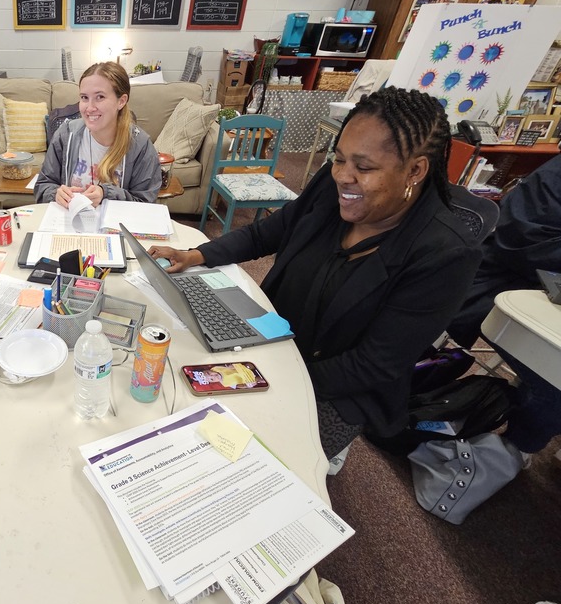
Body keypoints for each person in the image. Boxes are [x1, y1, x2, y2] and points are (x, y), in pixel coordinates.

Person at [147, 87, 482, 463]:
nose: (343, 176)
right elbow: (267, 233)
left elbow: (373, 365)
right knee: (176, 391)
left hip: (336, 390)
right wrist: (195, 254)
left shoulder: (445, 254)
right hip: (272, 342)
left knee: (238, 461)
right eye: (339, 160)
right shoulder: (331, 184)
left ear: (416, 170)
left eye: (364, 167)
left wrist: (270, 379)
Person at [446, 153, 561, 456]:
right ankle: (512, 450)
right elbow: (522, 240)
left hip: (546, 298)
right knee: (555, 377)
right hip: (507, 286)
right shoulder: (554, 177)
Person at [33, 61, 160, 207]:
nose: (90, 108)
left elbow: (146, 204)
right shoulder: (66, 135)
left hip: (117, 227)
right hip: (70, 225)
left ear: (121, 101)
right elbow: (42, 186)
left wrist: (106, 194)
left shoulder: (141, 146)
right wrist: (55, 194)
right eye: (84, 98)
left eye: (100, 97)